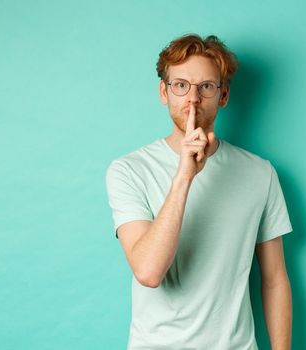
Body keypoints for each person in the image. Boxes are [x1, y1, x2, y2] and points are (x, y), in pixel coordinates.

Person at [104, 34, 293, 350]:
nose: (192, 98)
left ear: (223, 95)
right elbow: (149, 271)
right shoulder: (129, 170)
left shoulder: (260, 173)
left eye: (205, 86)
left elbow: (274, 279)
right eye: (180, 85)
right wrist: (184, 176)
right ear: (164, 92)